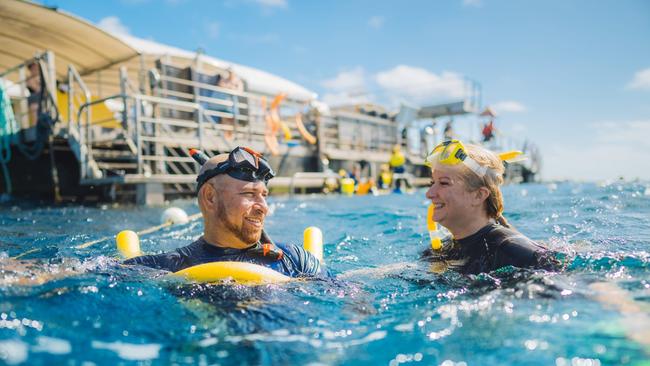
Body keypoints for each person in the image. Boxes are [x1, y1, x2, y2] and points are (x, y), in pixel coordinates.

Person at [124, 146, 323, 277]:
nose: (263, 207)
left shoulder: (294, 259)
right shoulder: (169, 267)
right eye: (249, 194)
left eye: (264, 195)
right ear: (210, 197)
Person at [423, 139, 559, 274]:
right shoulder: (439, 251)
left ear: (478, 195)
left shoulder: (516, 254)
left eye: (444, 183)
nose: (429, 193)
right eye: (432, 183)